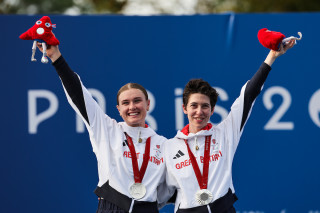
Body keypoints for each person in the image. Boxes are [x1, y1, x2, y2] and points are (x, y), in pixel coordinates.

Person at [163, 40, 296, 213]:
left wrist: (271, 56)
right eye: (194, 106)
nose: (199, 111)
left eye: (205, 106)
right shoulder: (169, 147)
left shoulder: (225, 133)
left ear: (212, 110)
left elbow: (248, 95)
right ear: (184, 109)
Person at [36, 43, 167, 213]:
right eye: (125, 103)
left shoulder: (163, 144)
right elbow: (78, 95)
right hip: (112, 207)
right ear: (119, 109)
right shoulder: (106, 129)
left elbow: (172, 187)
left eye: (137, 101)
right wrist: (56, 57)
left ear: (148, 104)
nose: (132, 107)